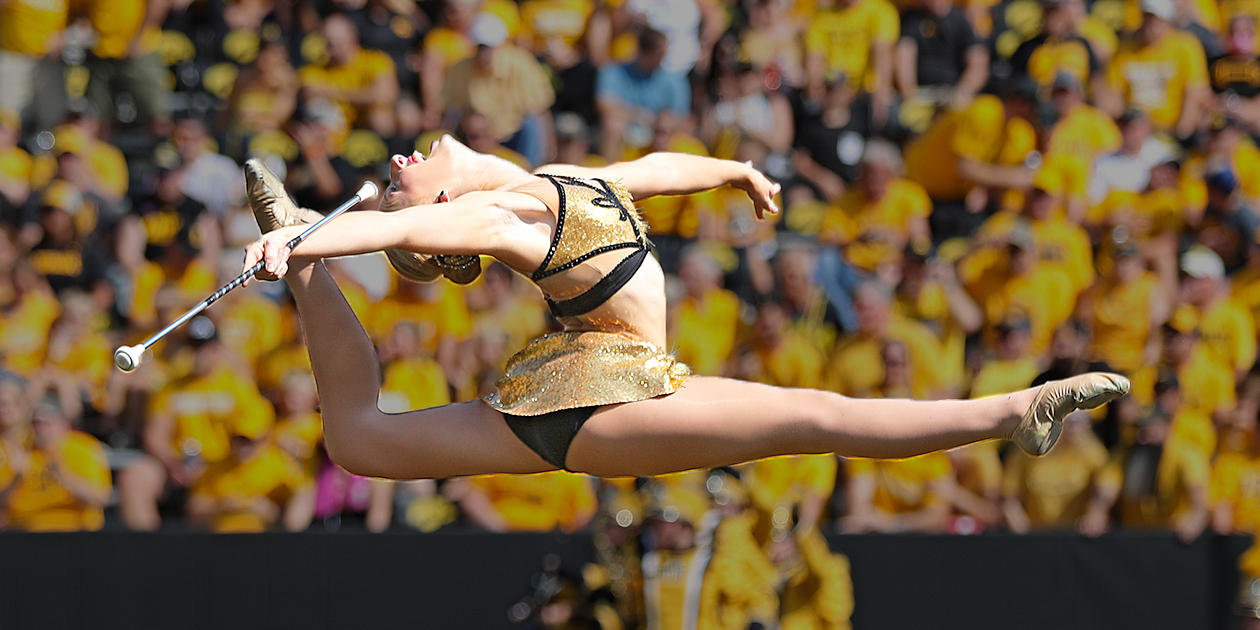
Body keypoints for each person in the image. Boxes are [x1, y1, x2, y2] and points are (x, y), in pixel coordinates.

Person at [238, 134, 1129, 483]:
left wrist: (733, 172)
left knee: (356, 439)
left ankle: (1019, 412)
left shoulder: (559, 186)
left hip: (591, 394)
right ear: (435, 219)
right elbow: (422, 226)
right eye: (402, 190)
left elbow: (655, 169)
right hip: (599, 403)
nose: (399, 164)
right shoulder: (501, 215)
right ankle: (1017, 411)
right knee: (819, 416)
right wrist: (305, 241)